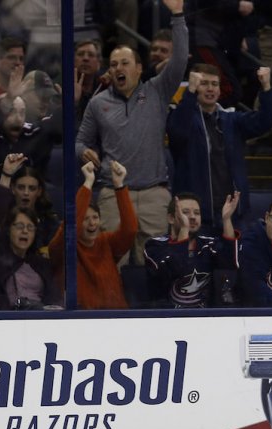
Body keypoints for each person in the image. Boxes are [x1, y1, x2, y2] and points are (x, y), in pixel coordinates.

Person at [76, 0, 187, 266]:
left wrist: (177, 16)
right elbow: (80, 141)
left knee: (159, 265)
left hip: (154, 194)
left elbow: (180, 59)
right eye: (113, 64)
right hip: (113, 195)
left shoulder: (157, 91)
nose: (118, 69)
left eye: (125, 63)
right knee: (115, 264)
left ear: (139, 68)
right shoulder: (97, 102)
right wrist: (83, 152)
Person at [167, 63, 272, 233]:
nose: (210, 89)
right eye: (204, 84)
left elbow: (264, 122)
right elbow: (177, 131)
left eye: (214, 84)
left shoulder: (232, 120)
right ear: (195, 87)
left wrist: (266, 88)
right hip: (196, 216)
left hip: (231, 214)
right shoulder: (184, 118)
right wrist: (189, 93)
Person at [48, 161, 137, 309]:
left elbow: (130, 230)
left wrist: (119, 186)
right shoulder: (63, 248)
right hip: (79, 321)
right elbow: (70, 229)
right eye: (85, 218)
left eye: (95, 217)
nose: (92, 223)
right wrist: (88, 183)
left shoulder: (107, 242)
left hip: (116, 319)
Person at [144, 190, 240, 308]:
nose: (193, 217)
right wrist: (184, 229)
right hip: (166, 319)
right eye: (185, 213)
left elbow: (230, 261)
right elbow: (177, 267)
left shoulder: (207, 245)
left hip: (205, 318)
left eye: (197, 213)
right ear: (171, 218)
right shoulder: (154, 246)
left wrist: (226, 220)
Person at [0, 155, 59, 263]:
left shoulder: (49, 222)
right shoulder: (1, 215)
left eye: (32, 188)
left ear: (39, 191)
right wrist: (6, 174)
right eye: (21, 187)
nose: (26, 193)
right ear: (12, 189)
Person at [0, 206, 62, 310]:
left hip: (41, 320)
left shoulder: (43, 265)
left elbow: (54, 299)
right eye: (19, 226)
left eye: (30, 227)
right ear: (8, 229)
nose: (25, 231)